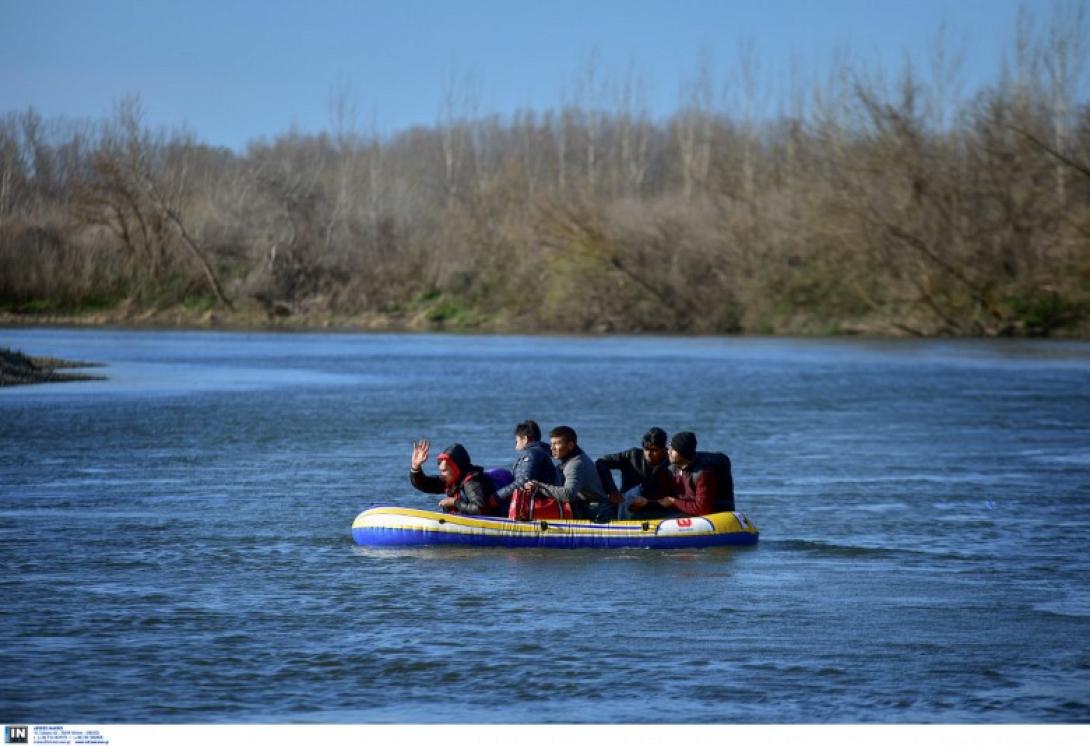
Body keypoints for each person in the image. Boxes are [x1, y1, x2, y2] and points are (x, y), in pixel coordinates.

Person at [524, 425, 606, 520]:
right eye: (551, 444)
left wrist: (539, 487)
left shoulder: (575, 464)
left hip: (596, 513)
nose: (552, 448)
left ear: (570, 445)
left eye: (556, 444)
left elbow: (568, 494)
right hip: (587, 507)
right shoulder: (574, 458)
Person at [595, 427, 674, 521]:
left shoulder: (671, 462)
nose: (648, 453)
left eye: (654, 450)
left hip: (656, 506)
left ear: (664, 450)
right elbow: (601, 462)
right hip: (627, 503)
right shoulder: (632, 456)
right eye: (646, 449)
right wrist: (612, 491)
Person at [409, 439, 496, 515]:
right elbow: (424, 484)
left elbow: (479, 509)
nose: (442, 474)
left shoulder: (472, 482)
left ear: (456, 469)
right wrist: (415, 467)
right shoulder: (451, 480)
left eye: (445, 470)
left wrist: (454, 502)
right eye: (441, 470)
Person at [493, 420, 559, 512]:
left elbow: (523, 481)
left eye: (517, 441)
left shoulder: (530, 454)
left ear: (525, 439)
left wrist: (496, 497)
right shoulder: (542, 452)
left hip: (532, 505)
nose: (515, 446)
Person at [654, 431, 719, 517]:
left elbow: (701, 509)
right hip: (676, 513)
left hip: (698, 519)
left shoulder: (703, 474)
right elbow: (662, 498)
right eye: (669, 448)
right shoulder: (670, 470)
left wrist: (673, 501)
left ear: (682, 452)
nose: (668, 452)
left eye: (672, 449)